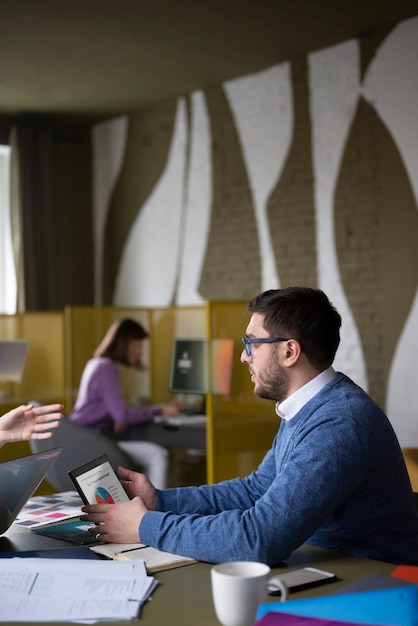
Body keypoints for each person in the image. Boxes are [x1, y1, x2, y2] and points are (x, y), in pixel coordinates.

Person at [80, 288, 418, 566]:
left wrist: (145, 526)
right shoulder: (309, 409)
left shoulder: (340, 422)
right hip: (324, 564)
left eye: (251, 343)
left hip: (369, 582)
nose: (244, 357)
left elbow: (260, 538)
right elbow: (254, 492)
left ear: (289, 352)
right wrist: (160, 501)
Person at [70, 318, 180, 489]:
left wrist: (113, 417)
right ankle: (154, 508)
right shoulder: (107, 367)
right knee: (158, 455)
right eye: (137, 347)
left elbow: (110, 410)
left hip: (83, 436)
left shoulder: (96, 363)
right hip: (94, 440)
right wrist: (162, 410)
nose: (139, 353)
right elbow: (122, 414)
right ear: (124, 344)